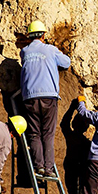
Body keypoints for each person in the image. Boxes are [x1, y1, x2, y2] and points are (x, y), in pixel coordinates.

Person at [20, 20, 71, 178]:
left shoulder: (24, 52)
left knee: (34, 134)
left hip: (29, 97)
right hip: (48, 96)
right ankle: (48, 169)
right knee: (47, 133)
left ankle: (39, 166)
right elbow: (66, 63)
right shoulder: (50, 49)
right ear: (43, 35)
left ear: (29, 36)